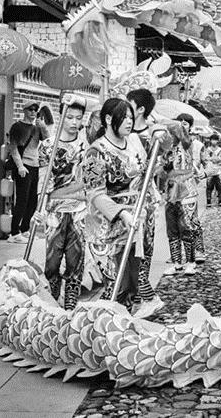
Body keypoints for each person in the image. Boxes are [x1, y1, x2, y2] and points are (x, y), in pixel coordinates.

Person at [81, 98, 147, 310]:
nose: (129, 121)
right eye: (124, 117)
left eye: (131, 117)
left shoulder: (134, 145)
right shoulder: (96, 151)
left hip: (132, 225)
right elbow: (94, 192)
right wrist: (121, 213)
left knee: (131, 287)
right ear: (108, 119)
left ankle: (124, 332)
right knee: (114, 286)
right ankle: (104, 331)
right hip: (105, 228)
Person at [37, 97, 89, 309]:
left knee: (76, 260)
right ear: (61, 117)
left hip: (80, 209)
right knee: (52, 260)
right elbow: (42, 179)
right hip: (54, 211)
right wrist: (39, 207)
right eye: (69, 117)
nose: (74, 122)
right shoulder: (47, 146)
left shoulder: (88, 147)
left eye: (78, 118)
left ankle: (70, 306)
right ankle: (52, 301)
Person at [126, 88, 165, 318]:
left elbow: (158, 166)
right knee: (126, 252)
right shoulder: (122, 132)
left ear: (140, 109)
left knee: (142, 251)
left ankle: (147, 297)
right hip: (124, 200)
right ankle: (136, 300)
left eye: (128, 105)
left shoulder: (154, 133)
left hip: (144, 199)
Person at [164, 113, 205, 274]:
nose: (180, 127)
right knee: (172, 228)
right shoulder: (169, 147)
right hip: (171, 191)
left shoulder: (190, 144)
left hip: (187, 191)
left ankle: (190, 261)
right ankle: (176, 262)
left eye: (184, 124)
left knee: (186, 227)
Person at [6, 103, 45, 244]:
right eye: (31, 110)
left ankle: (25, 228)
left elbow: (47, 139)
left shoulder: (36, 128)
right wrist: (20, 166)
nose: (33, 112)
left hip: (35, 165)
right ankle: (14, 232)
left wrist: (42, 125)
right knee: (21, 200)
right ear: (25, 111)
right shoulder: (17, 127)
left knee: (32, 201)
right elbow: (13, 147)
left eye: (36, 110)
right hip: (23, 165)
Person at [203, 136, 221, 206]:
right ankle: (208, 201)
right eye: (212, 140)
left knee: (220, 186)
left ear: (217, 141)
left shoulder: (220, 150)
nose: (214, 142)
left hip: (218, 170)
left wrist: (212, 158)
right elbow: (206, 158)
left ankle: (220, 200)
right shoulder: (207, 149)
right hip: (210, 170)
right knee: (209, 186)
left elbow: (220, 158)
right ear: (210, 141)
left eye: (215, 140)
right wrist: (213, 158)